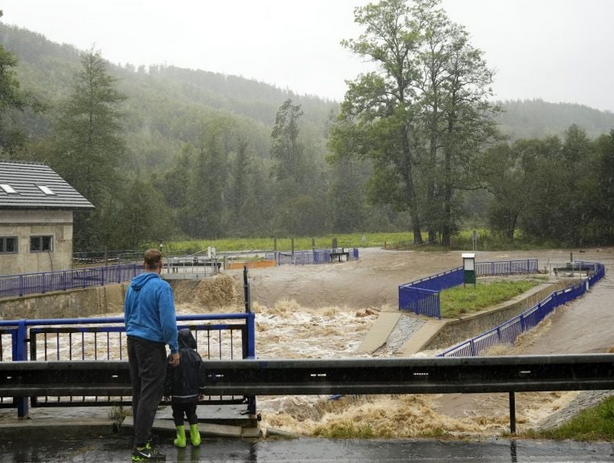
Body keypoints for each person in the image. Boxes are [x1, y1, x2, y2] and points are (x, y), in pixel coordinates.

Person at [125, 248, 180, 462]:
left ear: (143, 264)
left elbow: (127, 316)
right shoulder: (161, 287)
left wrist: (134, 334)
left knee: (139, 392)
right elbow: (168, 322)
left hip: (133, 341)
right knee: (150, 394)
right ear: (161, 264)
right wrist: (174, 349)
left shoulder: (133, 286)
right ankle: (140, 447)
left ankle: (142, 440)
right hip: (151, 345)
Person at [164, 329, 205, 448]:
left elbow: (168, 377)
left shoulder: (173, 357)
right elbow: (201, 375)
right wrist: (202, 390)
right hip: (192, 394)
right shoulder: (195, 356)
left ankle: (181, 439)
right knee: (192, 414)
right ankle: (195, 438)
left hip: (177, 395)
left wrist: (166, 392)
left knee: (178, 415)